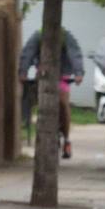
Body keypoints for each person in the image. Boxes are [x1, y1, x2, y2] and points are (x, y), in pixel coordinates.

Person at [17, 26, 83, 160]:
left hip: (62, 76)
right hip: (43, 75)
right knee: (35, 99)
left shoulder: (65, 36)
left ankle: (67, 139)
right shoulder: (38, 36)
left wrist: (78, 73)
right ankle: (33, 126)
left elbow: (75, 54)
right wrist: (23, 72)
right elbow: (27, 53)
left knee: (64, 103)